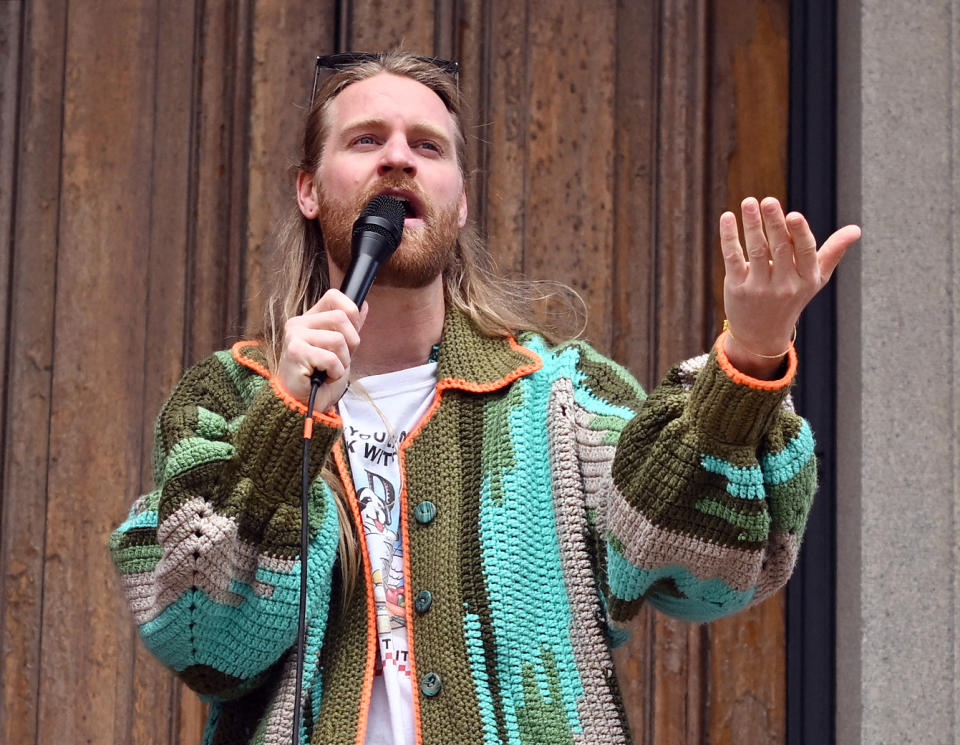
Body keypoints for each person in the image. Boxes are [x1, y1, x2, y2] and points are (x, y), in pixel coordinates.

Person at [109, 51, 861, 745]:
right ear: (308, 189)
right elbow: (203, 637)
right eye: (366, 140)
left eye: (428, 146)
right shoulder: (231, 399)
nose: (399, 156)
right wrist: (283, 418)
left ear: (459, 202)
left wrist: (750, 356)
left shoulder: (560, 399)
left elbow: (708, 570)